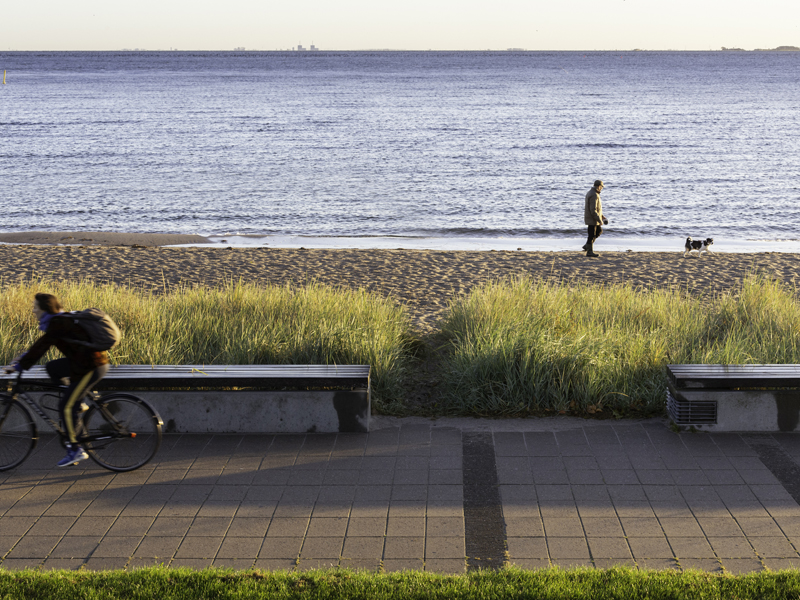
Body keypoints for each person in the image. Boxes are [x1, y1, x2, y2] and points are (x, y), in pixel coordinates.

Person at [3, 293, 110, 467]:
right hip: (82, 362)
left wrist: (19, 366)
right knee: (52, 368)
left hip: (91, 367)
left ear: (45, 309)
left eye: (35, 307)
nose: (33, 310)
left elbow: (41, 347)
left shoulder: (57, 323)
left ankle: (76, 450)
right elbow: (41, 344)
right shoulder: (58, 319)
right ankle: (78, 401)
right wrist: (21, 359)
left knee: (65, 407)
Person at [583, 180, 609, 257]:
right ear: (598, 187)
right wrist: (599, 219)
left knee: (598, 231)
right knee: (592, 234)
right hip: (592, 219)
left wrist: (602, 216)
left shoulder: (592, 193)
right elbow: (593, 210)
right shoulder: (594, 195)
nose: (602, 189)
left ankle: (587, 246)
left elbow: (597, 208)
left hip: (593, 218)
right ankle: (589, 251)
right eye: (601, 187)